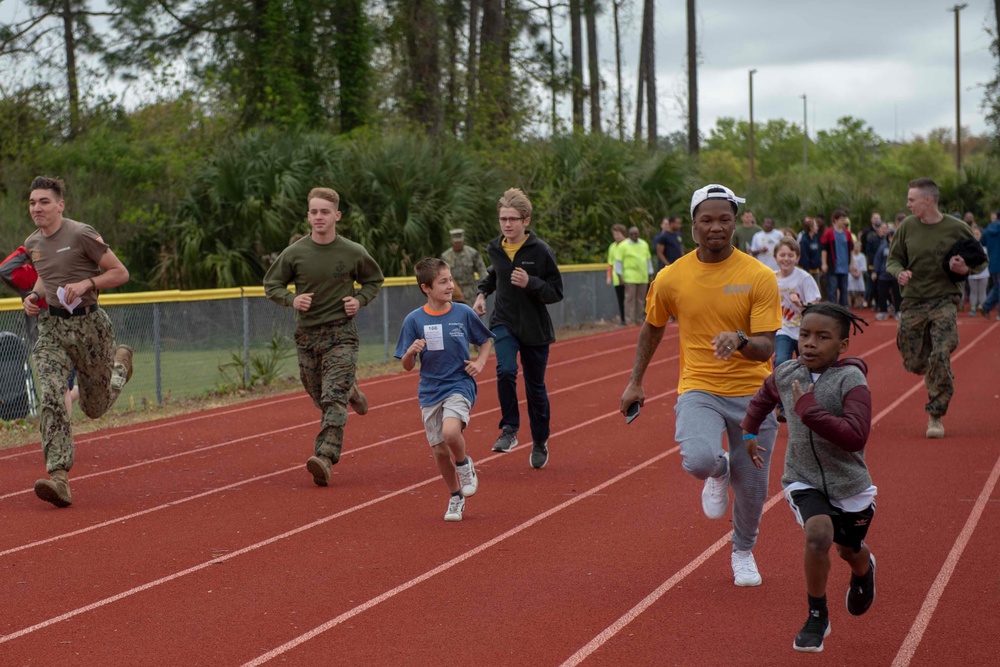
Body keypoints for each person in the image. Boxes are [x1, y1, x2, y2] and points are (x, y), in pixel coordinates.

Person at [620, 183, 781, 587]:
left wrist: (740, 340)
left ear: (734, 225)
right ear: (692, 228)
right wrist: (635, 381)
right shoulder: (671, 277)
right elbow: (652, 327)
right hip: (700, 388)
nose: (716, 227)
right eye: (706, 220)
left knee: (751, 489)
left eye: (724, 219)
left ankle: (742, 551)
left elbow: (765, 348)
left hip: (754, 397)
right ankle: (717, 469)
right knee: (698, 459)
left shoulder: (759, 276)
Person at [741, 303, 877, 653]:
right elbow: (763, 398)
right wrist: (748, 432)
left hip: (849, 484)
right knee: (818, 535)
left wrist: (808, 410)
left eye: (822, 337)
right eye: (804, 335)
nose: (810, 343)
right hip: (802, 478)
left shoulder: (852, 380)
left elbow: (855, 436)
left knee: (849, 549)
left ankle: (863, 569)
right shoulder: (787, 373)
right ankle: (817, 615)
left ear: (842, 346)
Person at [21, 176, 135, 508]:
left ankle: (118, 369)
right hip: (53, 329)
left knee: (94, 408)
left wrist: (87, 283)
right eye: (32, 202)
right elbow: (45, 274)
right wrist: (33, 295)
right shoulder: (32, 243)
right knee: (53, 396)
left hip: (90, 328)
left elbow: (120, 272)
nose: (37, 208)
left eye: (44, 201)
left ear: (60, 205)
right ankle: (59, 477)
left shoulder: (81, 233)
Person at [264, 186, 384, 486]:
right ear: (308, 216)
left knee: (332, 399)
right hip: (307, 336)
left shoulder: (353, 251)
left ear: (337, 216)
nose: (319, 217)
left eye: (325, 212)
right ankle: (351, 391)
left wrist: (359, 300)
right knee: (319, 394)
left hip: (341, 334)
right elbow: (271, 284)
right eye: (314, 212)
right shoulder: (295, 253)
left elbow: (374, 280)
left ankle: (325, 457)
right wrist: (292, 300)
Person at [395, 258, 494, 521]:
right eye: (443, 282)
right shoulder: (414, 320)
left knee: (451, 432)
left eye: (450, 279)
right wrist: (410, 352)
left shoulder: (463, 312)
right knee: (439, 452)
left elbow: (484, 341)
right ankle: (455, 496)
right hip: (430, 390)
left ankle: (464, 464)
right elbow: (406, 365)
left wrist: (480, 362)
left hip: (459, 383)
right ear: (426, 288)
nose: (450, 285)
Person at [887, 178, 986, 439]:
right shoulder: (906, 227)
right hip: (913, 300)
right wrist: (899, 273)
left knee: (940, 352)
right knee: (915, 361)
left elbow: (981, 260)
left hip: (944, 300)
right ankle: (929, 368)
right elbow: (893, 260)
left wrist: (966, 268)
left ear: (928, 201)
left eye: (911, 200)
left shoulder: (957, 228)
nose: (908, 204)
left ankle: (936, 413)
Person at [474, 188, 563, 469]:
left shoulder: (541, 251)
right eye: (503, 219)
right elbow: (494, 274)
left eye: (513, 219)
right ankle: (509, 430)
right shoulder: (494, 247)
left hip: (535, 328)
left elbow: (556, 292)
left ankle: (539, 441)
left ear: (526, 221)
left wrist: (531, 283)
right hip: (504, 322)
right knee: (505, 370)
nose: (507, 224)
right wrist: (481, 294)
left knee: (535, 389)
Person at [773, 238, 821, 421]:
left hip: (803, 331)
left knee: (807, 366)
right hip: (782, 329)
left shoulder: (804, 278)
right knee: (781, 362)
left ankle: (808, 402)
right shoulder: (771, 278)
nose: (786, 259)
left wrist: (800, 304)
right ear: (776, 258)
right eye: (782, 255)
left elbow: (814, 306)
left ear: (797, 257)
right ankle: (783, 405)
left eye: (790, 255)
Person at [615, 226, 654, 325]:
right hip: (630, 277)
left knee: (641, 299)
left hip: (642, 276)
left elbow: (648, 260)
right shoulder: (623, 246)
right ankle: (629, 319)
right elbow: (618, 262)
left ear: (639, 234)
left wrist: (650, 274)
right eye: (632, 234)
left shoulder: (644, 244)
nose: (634, 236)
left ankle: (639, 318)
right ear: (629, 234)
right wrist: (619, 276)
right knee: (630, 299)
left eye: (636, 233)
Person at [441, 228, 488, 305]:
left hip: (470, 292)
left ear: (463, 240)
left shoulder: (472, 253)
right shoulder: (445, 256)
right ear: (452, 241)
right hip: (453, 292)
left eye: (459, 242)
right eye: (456, 242)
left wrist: (484, 287)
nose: (458, 244)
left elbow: (482, 270)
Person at [820, 209, 854, 306]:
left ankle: (843, 309)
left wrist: (851, 263)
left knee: (844, 290)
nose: (844, 221)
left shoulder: (847, 233)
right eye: (842, 219)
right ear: (835, 220)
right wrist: (824, 263)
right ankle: (833, 309)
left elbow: (850, 249)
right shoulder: (829, 233)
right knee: (832, 290)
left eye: (844, 219)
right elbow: (824, 249)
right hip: (833, 266)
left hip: (844, 266)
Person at [871, 227, 901, 320]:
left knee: (898, 294)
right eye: (890, 236)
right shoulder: (882, 247)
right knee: (882, 294)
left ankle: (898, 311)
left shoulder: (900, 247)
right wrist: (874, 271)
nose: (891, 238)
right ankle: (883, 312)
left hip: (896, 275)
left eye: (894, 236)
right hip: (883, 275)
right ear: (888, 237)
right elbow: (877, 259)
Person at [859, 213, 884, 307]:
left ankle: (877, 301)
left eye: (878, 218)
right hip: (871, 261)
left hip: (882, 263)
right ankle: (866, 299)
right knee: (870, 281)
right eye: (875, 218)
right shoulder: (867, 232)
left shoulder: (884, 238)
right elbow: (866, 248)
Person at [980, 211, 1000, 319]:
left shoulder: (988, 230)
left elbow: (981, 243)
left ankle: (986, 306)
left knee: (997, 286)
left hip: (993, 263)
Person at [606, 224, 627, 326]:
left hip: (629, 277)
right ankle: (623, 319)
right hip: (617, 278)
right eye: (614, 234)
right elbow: (610, 263)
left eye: (618, 234)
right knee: (621, 299)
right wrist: (609, 276)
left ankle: (631, 319)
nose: (616, 236)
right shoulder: (612, 247)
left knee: (630, 299)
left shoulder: (628, 244)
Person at [797, 217, 824, 297]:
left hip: (816, 269)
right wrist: (807, 268)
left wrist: (819, 266)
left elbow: (818, 253)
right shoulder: (804, 239)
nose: (817, 227)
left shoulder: (816, 238)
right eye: (815, 225)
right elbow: (804, 255)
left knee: (816, 292)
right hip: (807, 269)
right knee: (807, 291)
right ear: (811, 227)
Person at [968, 227, 990, 316]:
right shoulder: (969, 246)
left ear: (981, 235)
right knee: (973, 291)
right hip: (972, 273)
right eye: (975, 234)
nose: (976, 235)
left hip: (984, 273)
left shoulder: (985, 247)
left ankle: (982, 307)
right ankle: (973, 308)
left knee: (982, 291)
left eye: (978, 234)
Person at [848, 243, 867, 309]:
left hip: (859, 275)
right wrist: (852, 272)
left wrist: (858, 273)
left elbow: (863, 267)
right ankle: (849, 304)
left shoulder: (862, 256)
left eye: (858, 247)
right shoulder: (850, 255)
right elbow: (849, 265)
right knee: (849, 290)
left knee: (859, 291)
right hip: (851, 274)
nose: (856, 248)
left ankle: (860, 304)